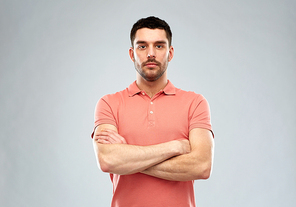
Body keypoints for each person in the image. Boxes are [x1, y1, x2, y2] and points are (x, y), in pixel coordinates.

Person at [92, 16, 214, 207]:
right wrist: (175, 147)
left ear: (170, 53)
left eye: (159, 46)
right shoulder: (109, 103)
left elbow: (202, 166)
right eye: (142, 46)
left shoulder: (195, 103)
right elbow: (108, 160)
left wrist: (128, 157)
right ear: (132, 54)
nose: (151, 53)